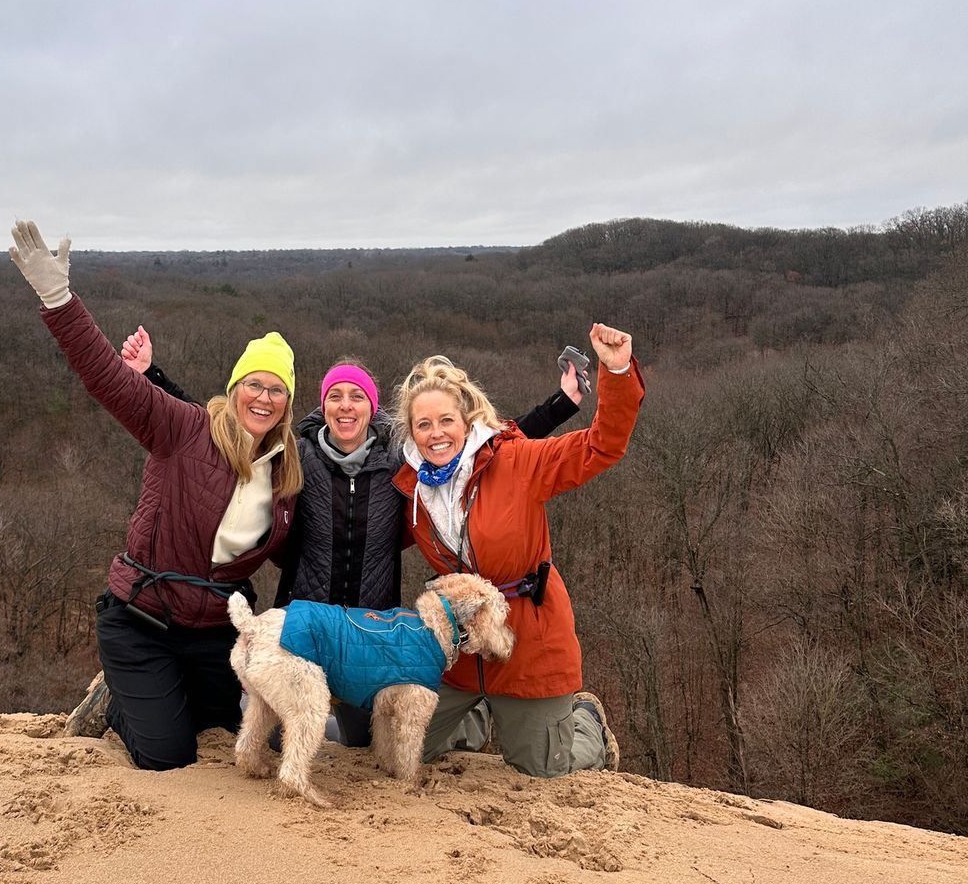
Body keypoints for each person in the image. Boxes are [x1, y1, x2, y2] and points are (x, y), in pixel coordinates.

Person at [69, 326, 585, 749]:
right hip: (305, 625)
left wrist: (561, 404)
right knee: (277, 735)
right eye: (334, 395)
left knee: (363, 743)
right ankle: (132, 698)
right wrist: (152, 378)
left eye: (356, 396)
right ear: (321, 404)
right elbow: (218, 430)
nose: (345, 405)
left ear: (371, 407)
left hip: (369, 634)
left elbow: (484, 450)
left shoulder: (402, 470)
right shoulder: (294, 459)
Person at [8, 221, 303, 770]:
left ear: (287, 404)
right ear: (234, 389)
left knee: (220, 727)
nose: (263, 398)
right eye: (254, 385)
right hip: (144, 619)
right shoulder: (184, 429)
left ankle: (158, 702)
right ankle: (121, 704)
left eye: (277, 390)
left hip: (216, 633)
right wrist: (58, 299)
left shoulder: (285, 475)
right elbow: (106, 379)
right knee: (168, 756)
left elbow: (311, 549)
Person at [391, 324, 643, 776]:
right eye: (423, 424)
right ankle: (474, 714)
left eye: (446, 420)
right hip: (461, 656)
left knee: (544, 770)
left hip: (530, 645)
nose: (436, 434)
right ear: (411, 432)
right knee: (400, 748)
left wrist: (617, 371)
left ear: (467, 421)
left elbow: (601, 445)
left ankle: (586, 727)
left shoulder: (516, 462)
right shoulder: (412, 491)